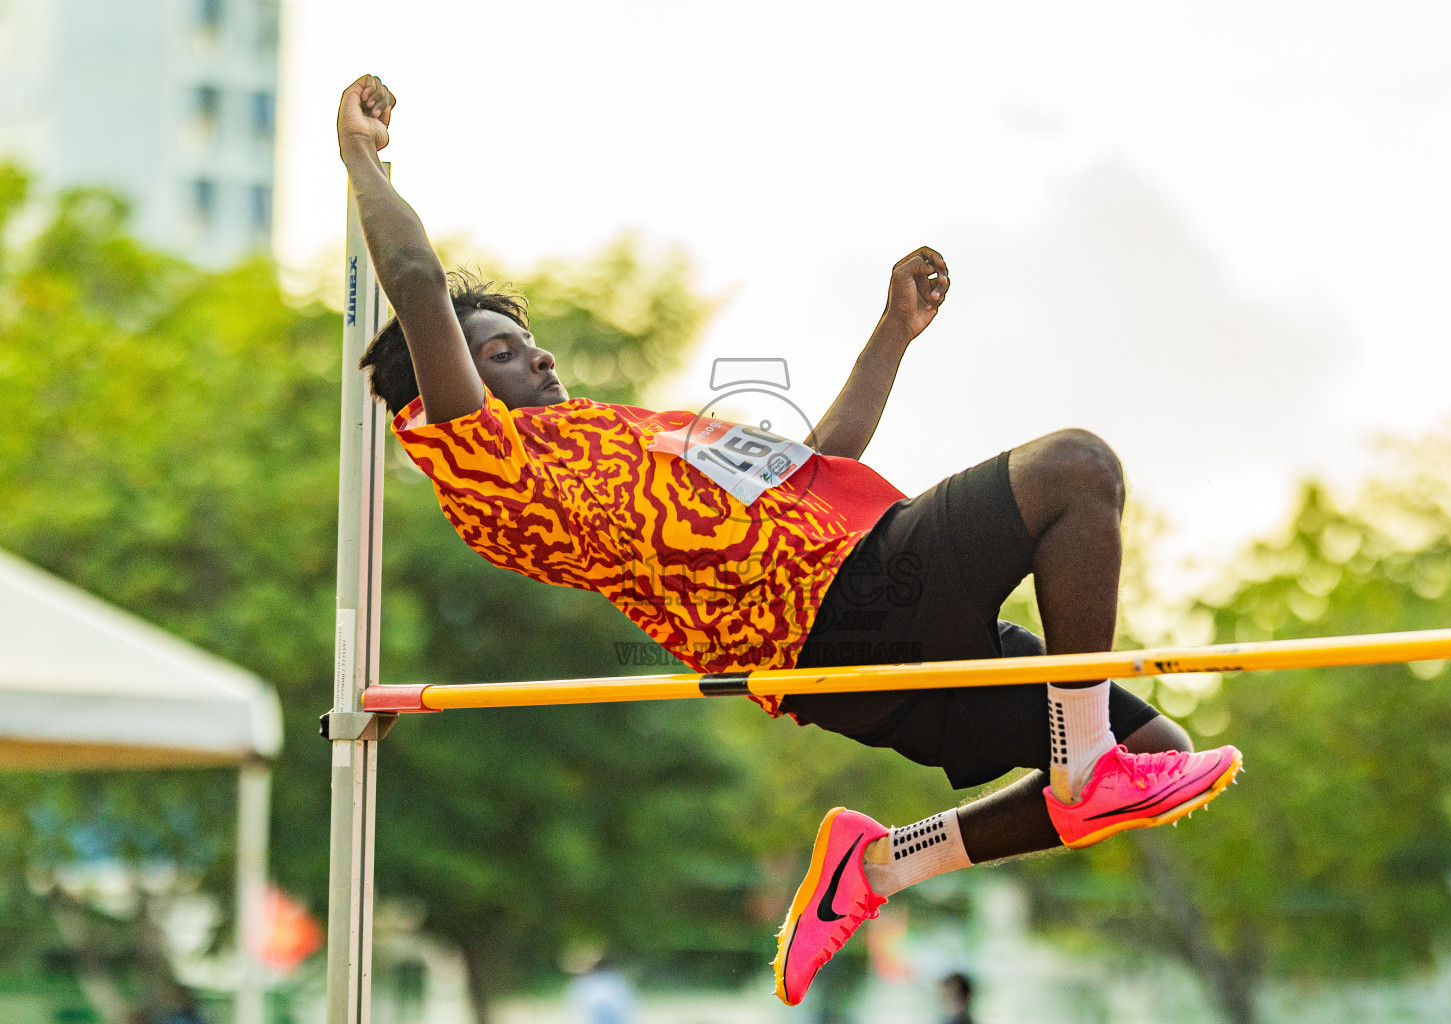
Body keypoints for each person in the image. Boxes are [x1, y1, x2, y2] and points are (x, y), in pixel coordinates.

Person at [336, 75, 1242, 1009]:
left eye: (528, 342)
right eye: (498, 353)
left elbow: (813, 464)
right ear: (444, 385)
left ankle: (878, 866)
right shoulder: (485, 461)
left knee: (1155, 753)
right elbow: (414, 280)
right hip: (839, 612)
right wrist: (361, 154)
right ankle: (1085, 757)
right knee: (1076, 470)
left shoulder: (632, 435)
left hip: (860, 624)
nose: (539, 356)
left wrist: (890, 337)